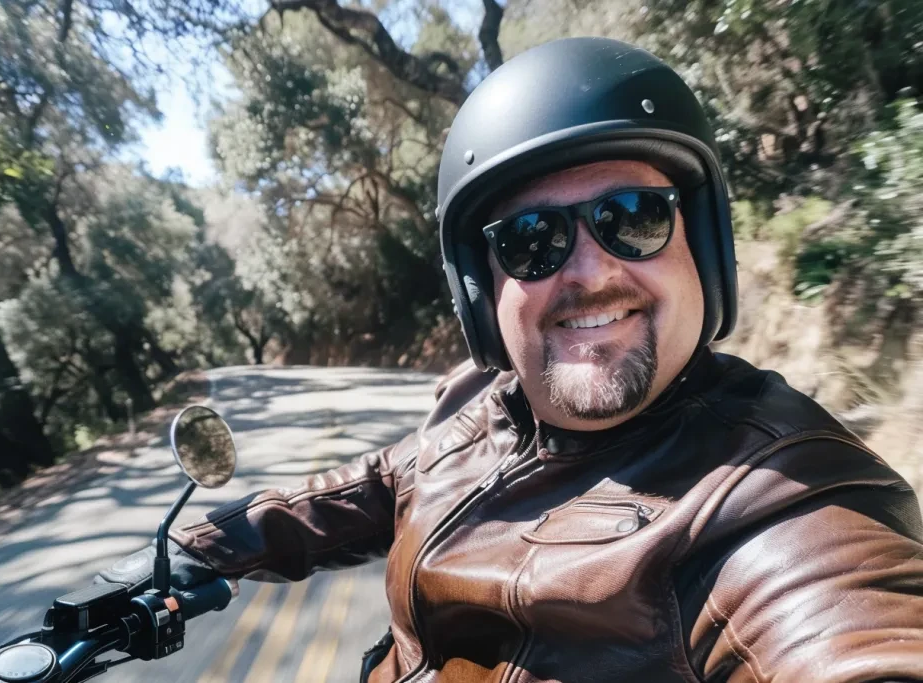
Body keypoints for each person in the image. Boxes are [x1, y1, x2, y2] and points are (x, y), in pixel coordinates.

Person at [97, 37, 923, 682]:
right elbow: (385, 482)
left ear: (701, 246)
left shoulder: (777, 501)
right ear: (480, 292)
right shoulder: (484, 403)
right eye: (533, 240)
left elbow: (846, 623)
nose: (591, 269)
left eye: (632, 216)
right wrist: (201, 550)